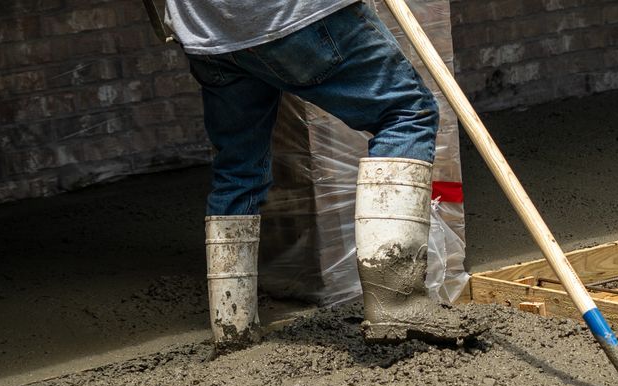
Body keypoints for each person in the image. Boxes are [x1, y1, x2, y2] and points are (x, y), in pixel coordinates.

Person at [161, 0, 476, 349]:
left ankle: (232, 327)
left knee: (238, 169)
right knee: (406, 111)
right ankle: (397, 302)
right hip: (289, 16)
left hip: (210, 34)